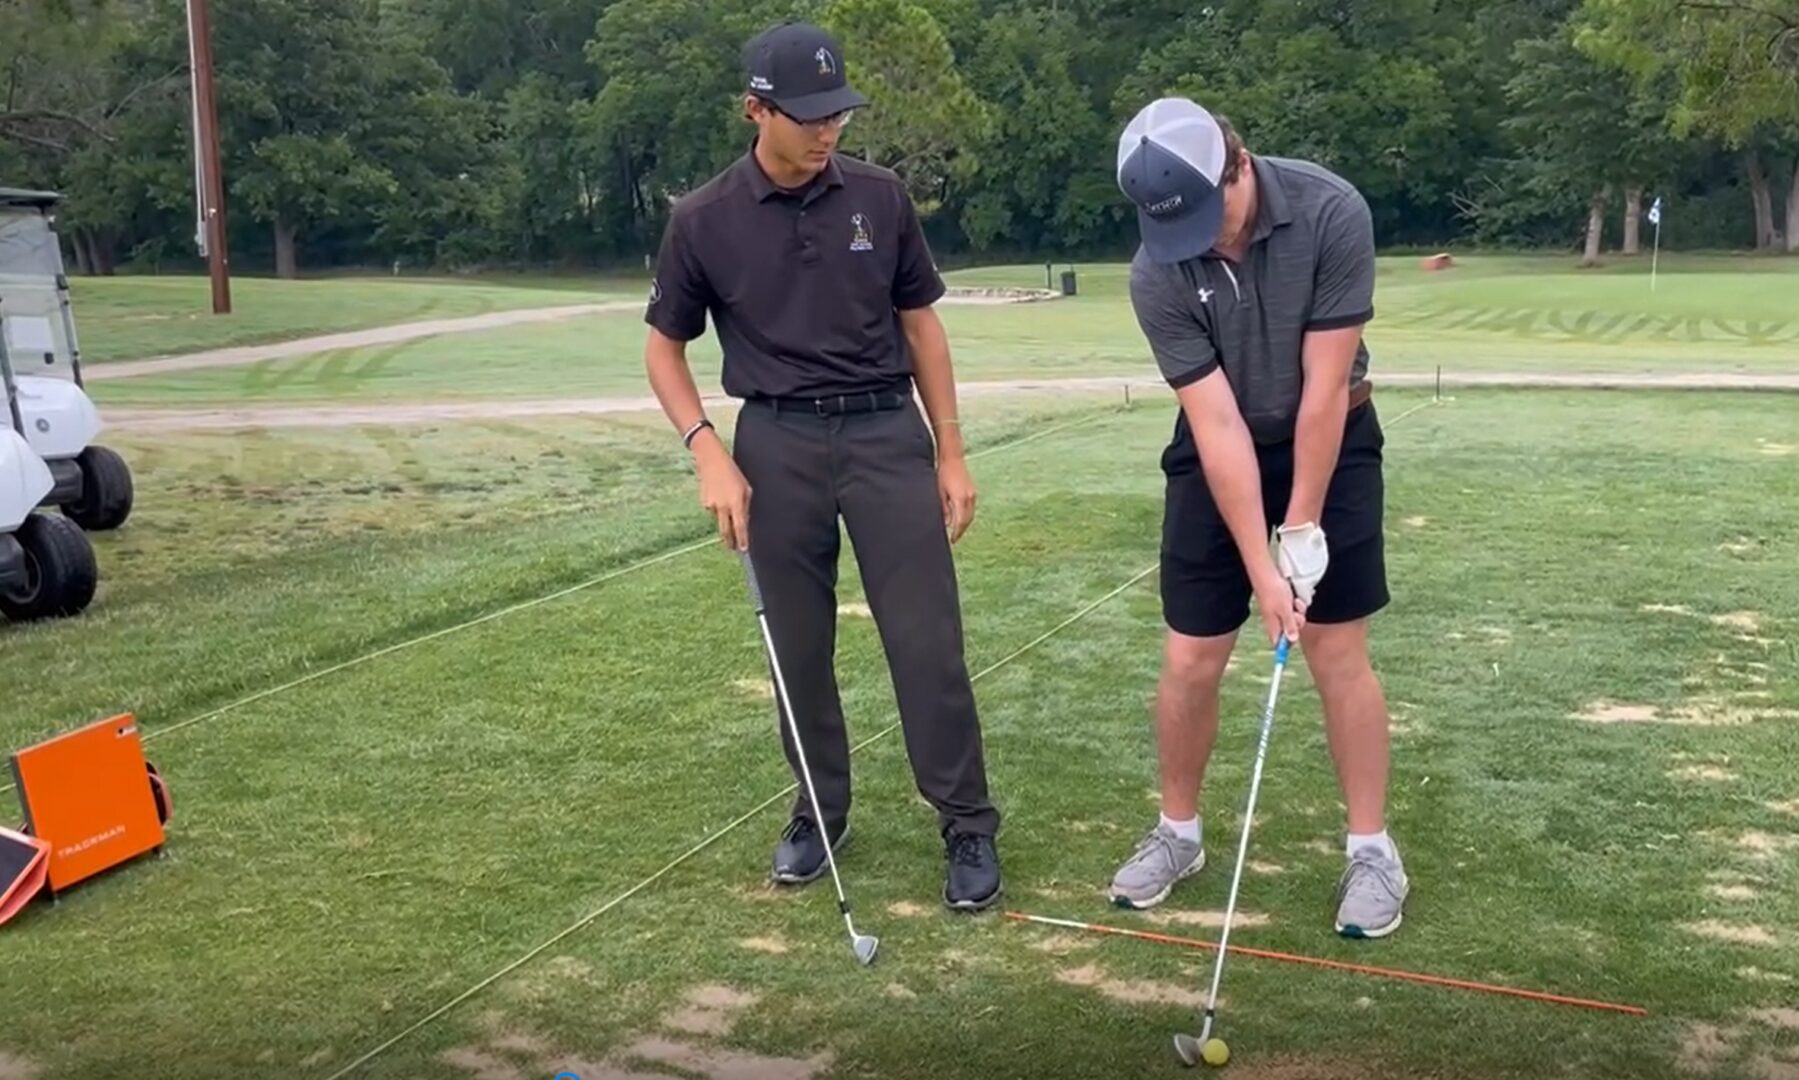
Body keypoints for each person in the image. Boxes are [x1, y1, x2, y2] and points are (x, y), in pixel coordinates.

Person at [641, 21, 1003, 912]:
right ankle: (819, 810)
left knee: (926, 645)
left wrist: (950, 450)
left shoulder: (878, 198)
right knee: (796, 651)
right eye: (807, 116)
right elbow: (662, 347)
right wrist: (708, 457)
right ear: (755, 110)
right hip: (774, 446)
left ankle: (965, 824)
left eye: (836, 112)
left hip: (886, 437)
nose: (826, 130)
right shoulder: (701, 219)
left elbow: (922, 325)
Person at [1105, 96, 1409, 939]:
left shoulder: (1329, 210)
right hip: (1221, 447)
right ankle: (1178, 835)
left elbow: (1322, 392)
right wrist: (1259, 565)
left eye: (1207, 215)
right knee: (1190, 655)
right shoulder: (1153, 268)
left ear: (1236, 164)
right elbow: (1214, 424)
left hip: (1333, 432)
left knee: (1334, 646)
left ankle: (1372, 850)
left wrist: (1301, 531)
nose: (1197, 240)